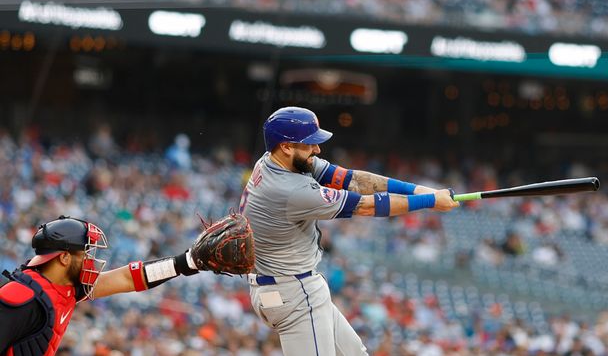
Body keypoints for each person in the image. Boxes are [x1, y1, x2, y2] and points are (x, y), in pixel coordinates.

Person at [240, 106, 459, 356]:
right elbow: (368, 205)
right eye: (309, 143)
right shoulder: (290, 189)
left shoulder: (272, 161)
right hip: (294, 294)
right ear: (287, 146)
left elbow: (350, 179)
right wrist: (430, 202)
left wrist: (420, 190)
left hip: (281, 289)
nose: (317, 149)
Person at [0, 215, 201, 355]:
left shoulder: (67, 288)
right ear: (64, 258)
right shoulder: (21, 296)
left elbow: (127, 278)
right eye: (85, 254)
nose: (90, 259)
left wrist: (185, 263)